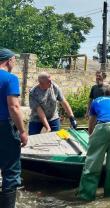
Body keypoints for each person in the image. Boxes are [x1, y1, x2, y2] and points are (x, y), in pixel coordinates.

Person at [77, 85, 110, 201]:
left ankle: (86, 196)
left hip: (104, 127)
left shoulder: (96, 101)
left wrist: (91, 137)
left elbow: (92, 121)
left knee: (93, 162)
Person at [0, 48, 28, 208]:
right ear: (9, 60)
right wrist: (23, 132)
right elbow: (14, 107)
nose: (14, 63)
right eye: (14, 60)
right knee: (10, 170)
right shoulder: (10, 78)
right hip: (4, 126)